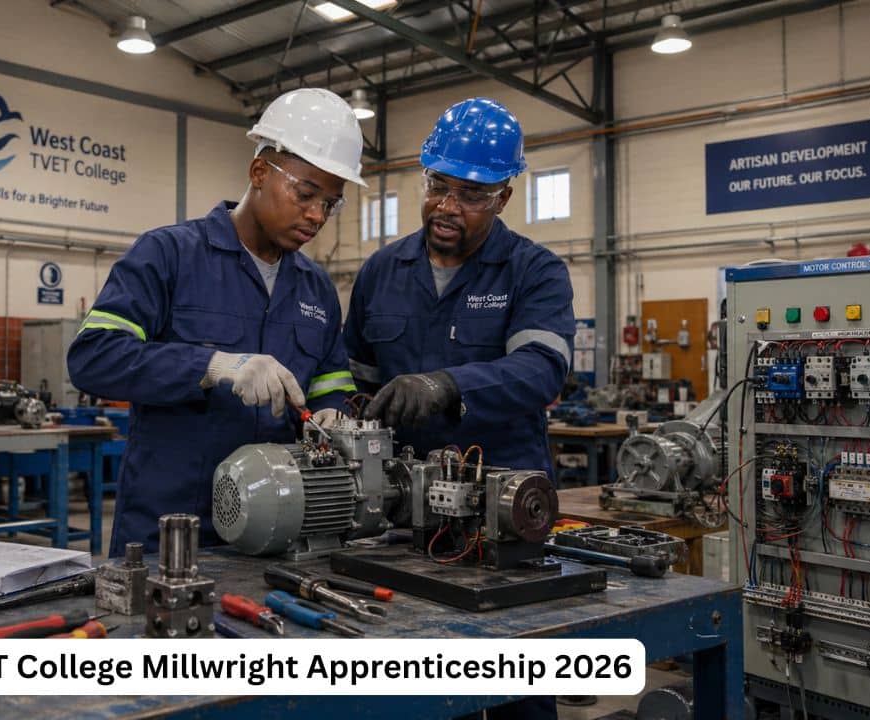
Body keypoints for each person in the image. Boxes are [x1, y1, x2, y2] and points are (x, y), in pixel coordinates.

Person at [343, 97, 574, 720]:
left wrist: (446, 386)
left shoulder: (535, 272)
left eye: (470, 194)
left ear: (503, 196)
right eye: (438, 186)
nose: (447, 207)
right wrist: (349, 412)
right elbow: (353, 378)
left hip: (500, 524)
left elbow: (541, 369)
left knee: (517, 688)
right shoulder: (381, 272)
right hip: (397, 523)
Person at [69, 88, 363, 554]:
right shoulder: (168, 255)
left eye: (331, 203)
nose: (317, 215)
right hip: (168, 533)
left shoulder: (316, 287)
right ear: (259, 172)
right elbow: (93, 356)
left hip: (275, 530)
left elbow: (330, 380)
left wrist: (334, 414)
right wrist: (213, 366)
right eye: (306, 193)